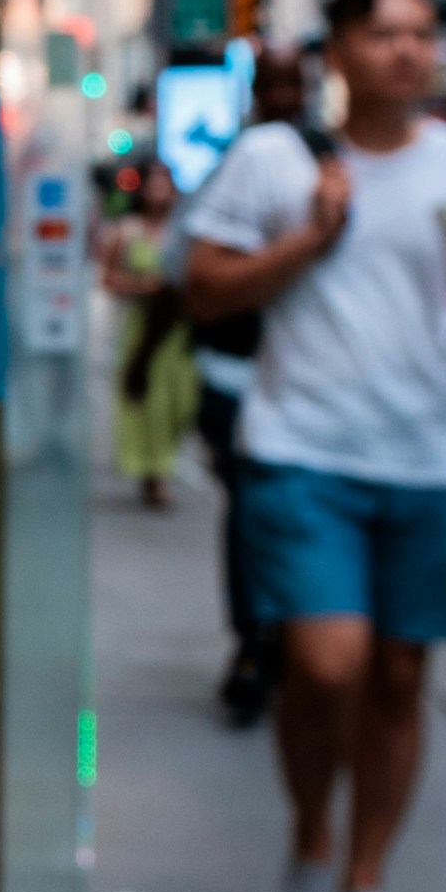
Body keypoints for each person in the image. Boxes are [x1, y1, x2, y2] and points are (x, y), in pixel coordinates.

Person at [178, 0, 446, 892]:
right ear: (337, 52)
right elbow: (203, 290)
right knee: (325, 663)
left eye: (424, 35)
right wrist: (310, 238)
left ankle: (367, 874)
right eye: (385, 35)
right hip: (304, 450)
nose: (410, 53)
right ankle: (307, 841)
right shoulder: (273, 158)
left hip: (431, 456)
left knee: (398, 675)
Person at [184, 44, 310, 726]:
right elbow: (199, 279)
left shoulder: (323, 156)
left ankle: (284, 632)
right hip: (237, 370)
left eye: (297, 79)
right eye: (276, 80)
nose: (288, 91)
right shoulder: (245, 159)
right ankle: (255, 640)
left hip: (304, 376)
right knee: (253, 508)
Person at [97, 154, 198, 507]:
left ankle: (162, 463)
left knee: (178, 400)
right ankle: (153, 472)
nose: (159, 191)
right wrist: (145, 287)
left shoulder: (186, 232)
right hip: (142, 327)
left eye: (165, 183)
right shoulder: (127, 231)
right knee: (148, 401)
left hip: (177, 330)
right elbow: (107, 278)